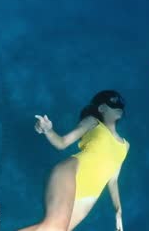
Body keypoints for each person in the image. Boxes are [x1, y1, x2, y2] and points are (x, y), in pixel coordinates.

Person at [18, 90, 130, 231]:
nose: (119, 105)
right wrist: (48, 130)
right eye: (113, 102)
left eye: (120, 104)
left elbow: (113, 180)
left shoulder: (125, 146)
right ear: (101, 108)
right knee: (52, 227)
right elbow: (62, 142)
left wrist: (118, 210)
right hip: (71, 173)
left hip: (88, 197)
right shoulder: (93, 122)